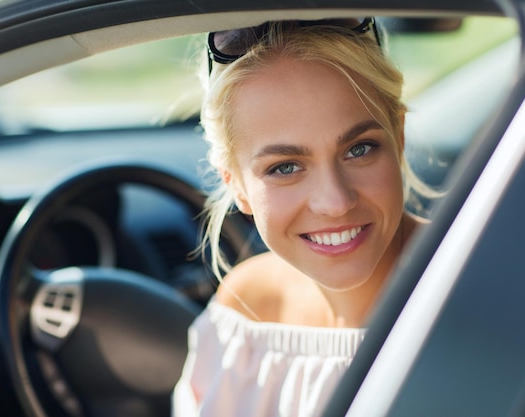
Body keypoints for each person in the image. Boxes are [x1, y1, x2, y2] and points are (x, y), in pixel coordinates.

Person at [172, 17, 427, 417]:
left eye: (359, 149)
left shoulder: (487, 288)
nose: (335, 202)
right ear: (237, 184)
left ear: (399, 136)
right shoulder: (244, 315)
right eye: (285, 167)